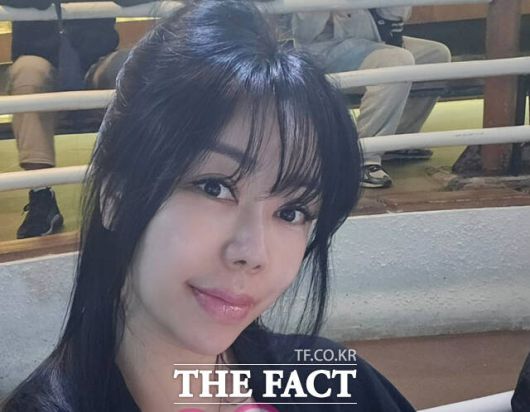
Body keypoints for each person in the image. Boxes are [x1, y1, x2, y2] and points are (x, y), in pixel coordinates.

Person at [2, 1, 414, 411]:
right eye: (214, 187)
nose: (253, 253)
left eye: (291, 212)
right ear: (116, 194)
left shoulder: (334, 382)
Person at [3, 0, 149, 239]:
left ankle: (123, 187)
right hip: (41, 60)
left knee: (126, 68)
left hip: (97, 61)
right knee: (27, 72)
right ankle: (40, 194)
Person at [292, 7, 451, 188]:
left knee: (436, 55)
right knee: (396, 61)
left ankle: (398, 139)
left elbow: (396, 15)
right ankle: (364, 156)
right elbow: (305, 32)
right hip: (325, 50)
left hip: (373, 40)